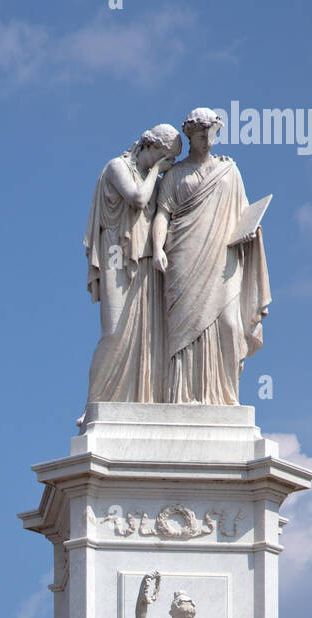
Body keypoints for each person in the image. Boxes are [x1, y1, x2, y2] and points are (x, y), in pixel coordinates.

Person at [152, 108, 271, 404]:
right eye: (201, 135)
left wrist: (251, 231)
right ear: (189, 135)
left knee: (229, 323)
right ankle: (182, 396)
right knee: (183, 328)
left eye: (212, 134)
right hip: (183, 253)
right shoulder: (175, 174)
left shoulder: (229, 170)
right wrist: (156, 249)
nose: (207, 140)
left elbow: (244, 212)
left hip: (224, 255)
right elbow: (162, 215)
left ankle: (223, 397)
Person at [82, 124, 181, 407]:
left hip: (146, 258)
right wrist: (154, 172)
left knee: (145, 333)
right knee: (114, 331)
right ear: (151, 147)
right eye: (167, 157)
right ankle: (95, 402)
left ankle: (139, 398)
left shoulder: (157, 181)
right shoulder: (117, 167)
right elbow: (138, 199)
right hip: (116, 252)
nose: (169, 164)